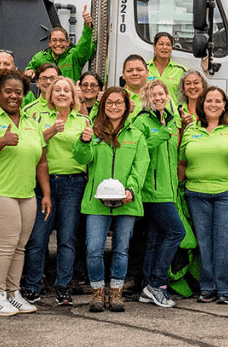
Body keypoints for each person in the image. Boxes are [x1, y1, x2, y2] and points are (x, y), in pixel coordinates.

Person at [0, 70, 52, 316]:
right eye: (8, 91)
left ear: (25, 95)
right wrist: (0, 143)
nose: (14, 96)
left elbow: (42, 162)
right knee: (6, 245)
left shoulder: (32, 124)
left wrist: (46, 194)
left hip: (26, 194)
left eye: (19, 92)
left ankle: (14, 293)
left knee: (20, 246)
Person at [74, 86, 145, 312]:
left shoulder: (136, 135)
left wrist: (131, 190)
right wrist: (84, 141)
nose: (114, 107)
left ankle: (115, 292)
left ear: (126, 107)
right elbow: (82, 158)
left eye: (118, 103)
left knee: (121, 249)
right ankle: (97, 292)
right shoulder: (93, 132)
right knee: (94, 249)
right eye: (109, 103)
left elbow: (140, 166)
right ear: (103, 106)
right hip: (97, 201)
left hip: (126, 202)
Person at [21, 76, 90, 306]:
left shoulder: (82, 120)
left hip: (73, 184)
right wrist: (49, 132)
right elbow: (29, 146)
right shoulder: (37, 117)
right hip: (44, 183)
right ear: (50, 95)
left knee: (67, 239)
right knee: (38, 239)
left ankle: (63, 287)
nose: (61, 94)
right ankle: (32, 286)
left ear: (73, 98)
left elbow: (86, 158)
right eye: (57, 90)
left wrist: (85, 143)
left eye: (66, 91)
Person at [179, 86, 228, 304]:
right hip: (196, 193)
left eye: (218, 101)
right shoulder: (190, 130)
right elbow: (182, 161)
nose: (213, 105)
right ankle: (207, 287)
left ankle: (226, 289)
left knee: (226, 242)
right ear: (202, 104)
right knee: (204, 243)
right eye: (209, 100)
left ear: (225, 105)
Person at [132, 80, 188, 308]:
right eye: (153, 94)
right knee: (176, 232)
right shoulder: (141, 121)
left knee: (156, 239)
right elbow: (138, 149)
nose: (158, 97)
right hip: (152, 191)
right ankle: (157, 284)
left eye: (161, 94)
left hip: (169, 189)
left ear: (167, 96)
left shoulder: (173, 122)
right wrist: (163, 132)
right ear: (146, 97)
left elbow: (174, 157)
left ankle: (148, 287)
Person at [25, 19, 95, 81]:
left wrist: (87, 26)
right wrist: (30, 70)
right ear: (49, 43)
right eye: (54, 40)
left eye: (62, 40)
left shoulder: (74, 56)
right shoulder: (40, 57)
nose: (58, 44)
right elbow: (31, 68)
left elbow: (84, 46)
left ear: (68, 42)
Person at [146, 32, 187, 100]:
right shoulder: (144, 69)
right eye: (161, 44)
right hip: (148, 110)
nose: (165, 47)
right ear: (154, 47)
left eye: (168, 45)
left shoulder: (181, 70)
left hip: (173, 110)